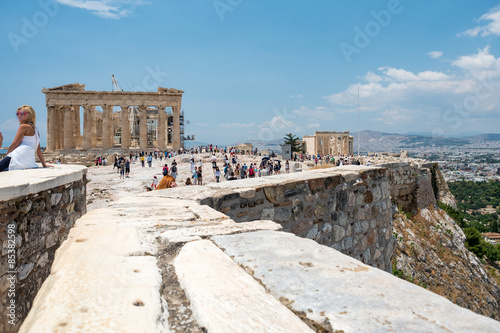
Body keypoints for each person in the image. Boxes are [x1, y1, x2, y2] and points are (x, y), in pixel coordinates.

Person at [0, 105, 49, 172]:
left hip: (18, 156)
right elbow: (38, 150)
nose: (19, 116)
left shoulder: (23, 126)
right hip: (28, 162)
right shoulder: (36, 130)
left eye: (21, 114)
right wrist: (44, 164)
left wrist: (7, 156)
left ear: (28, 115)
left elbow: (14, 144)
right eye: (18, 114)